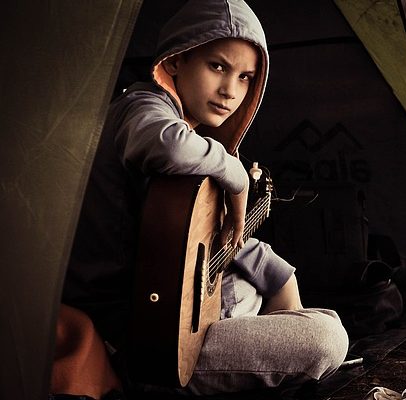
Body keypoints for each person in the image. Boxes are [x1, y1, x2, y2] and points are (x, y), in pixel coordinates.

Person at [61, 0, 349, 396]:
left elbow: (184, 234)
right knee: (327, 337)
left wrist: (263, 258)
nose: (231, 91)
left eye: (246, 77)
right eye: (217, 66)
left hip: (162, 300)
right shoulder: (142, 107)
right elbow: (170, 146)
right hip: (144, 340)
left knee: (258, 279)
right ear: (176, 62)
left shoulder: (185, 127)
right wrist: (236, 177)